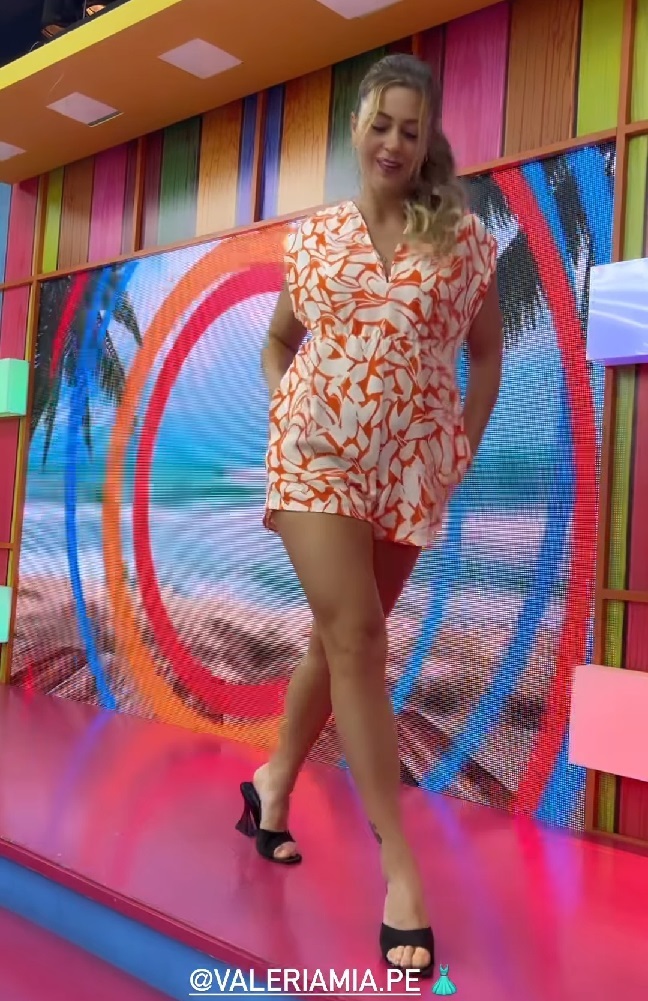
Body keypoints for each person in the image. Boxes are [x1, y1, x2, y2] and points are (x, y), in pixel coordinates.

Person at [235, 53, 503, 976]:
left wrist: (462, 446)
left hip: (409, 468)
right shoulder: (313, 238)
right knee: (356, 636)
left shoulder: (463, 240)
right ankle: (401, 871)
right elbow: (279, 342)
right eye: (380, 123)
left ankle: (271, 783)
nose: (393, 141)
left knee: (337, 639)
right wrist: (287, 402)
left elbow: (487, 355)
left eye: (410, 128)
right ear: (356, 125)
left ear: (427, 141)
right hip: (315, 457)